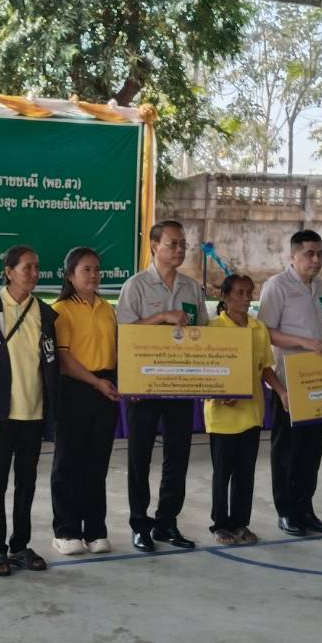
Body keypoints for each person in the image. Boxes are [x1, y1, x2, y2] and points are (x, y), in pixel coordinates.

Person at [116, 220, 209, 551]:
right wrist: (162, 317)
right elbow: (124, 334)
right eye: (173, 244)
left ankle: (167, 522)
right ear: (154, 246)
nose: (180, 249)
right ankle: (139, 524)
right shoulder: (136, 286)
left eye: (183, 244)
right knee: (140, 457)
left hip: (180, 385)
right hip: (143, 387)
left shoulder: (192, 288)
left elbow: (203, 335)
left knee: (178, 456)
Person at [0, 245, 60, 577]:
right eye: (27, 268)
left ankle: (20, 545)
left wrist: (52, 410)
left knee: (27, 481)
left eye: (36, 267)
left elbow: (50, 364)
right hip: (1, 415)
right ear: (8, 272)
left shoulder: (44, 313)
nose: (34, 274)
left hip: (34, 414)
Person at [258, 230, 322, 536]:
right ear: (293, 256)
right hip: (289, 381)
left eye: (320, 253)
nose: (315, 259)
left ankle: (305, 508)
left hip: (318, 379)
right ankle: (286, 511)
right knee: (287, 451)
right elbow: (265, 332)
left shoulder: (321, 287)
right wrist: (303, 342)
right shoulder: (277, 286)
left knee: (312, 450)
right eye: (309, 254)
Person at [205, 274, 285, 544]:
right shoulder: (213, 328)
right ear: (225, 296)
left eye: (248, 292)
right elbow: (204, 368)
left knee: (245, 473)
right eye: (238, 293)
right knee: (222, 473)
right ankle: (220, 525)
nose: (244, 298)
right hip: (222, 415)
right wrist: (219, 393)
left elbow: (265, 368)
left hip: (251, 412)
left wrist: (281, 391)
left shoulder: (258, 328)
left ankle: (240, 523)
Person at [49, 247, 119, 555]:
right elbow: (63, 359)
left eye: (97, 269)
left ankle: (94, 529)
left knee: (97, 463)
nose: (93, 275)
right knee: (69, 462)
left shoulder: (107, 308)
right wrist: (95, 382)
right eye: (86, 270)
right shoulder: (60, 310)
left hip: (106, 388)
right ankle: (65, 530)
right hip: (75, 389)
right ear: (70, 276)